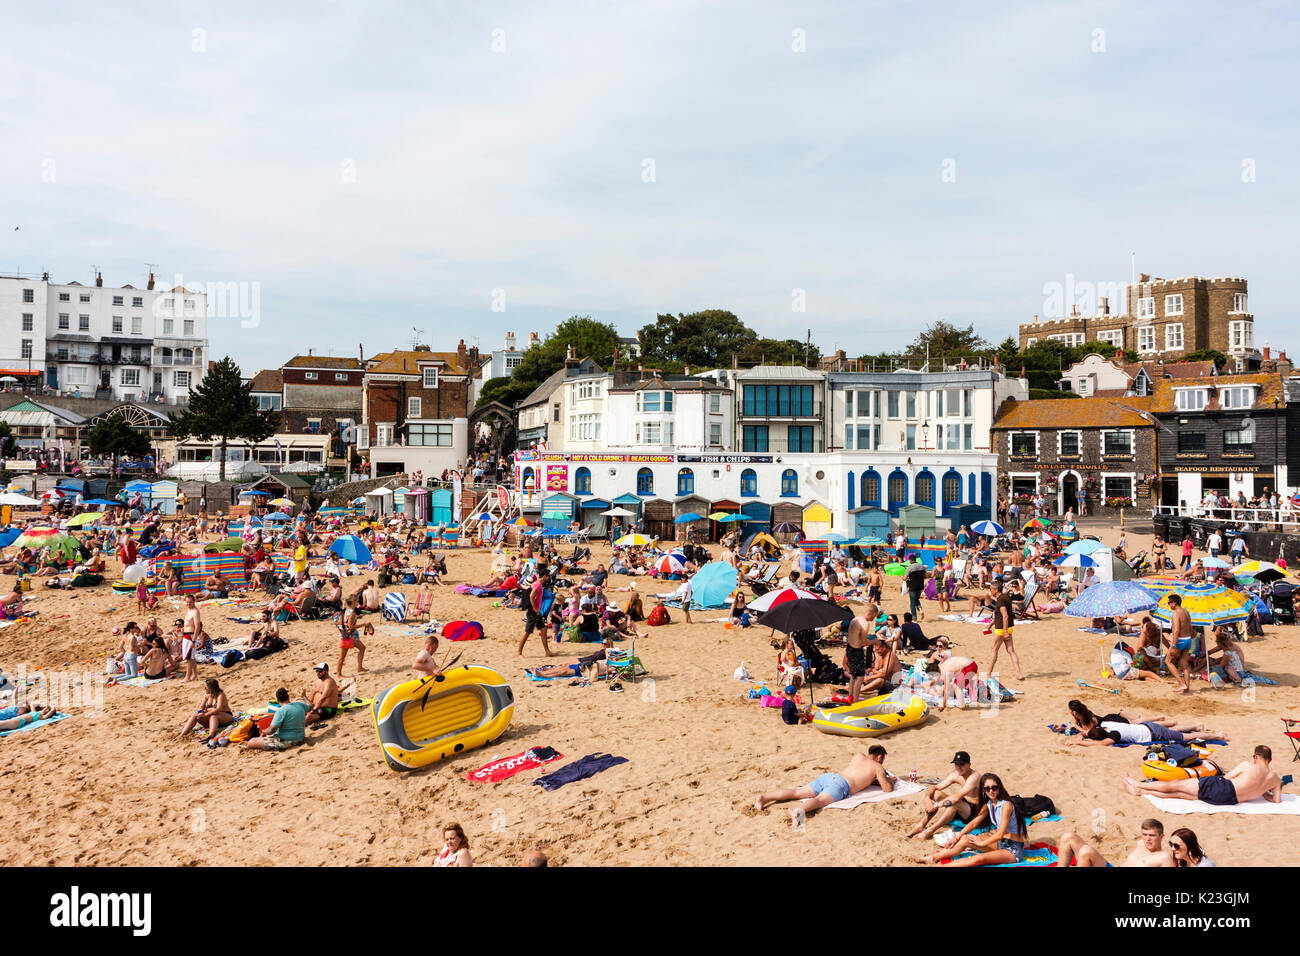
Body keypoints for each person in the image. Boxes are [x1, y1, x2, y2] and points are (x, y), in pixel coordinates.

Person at [755, 746, 894, 826]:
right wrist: (890, 780)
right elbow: (886, 789)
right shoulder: (877, 767)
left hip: (830, 777)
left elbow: (862, 775)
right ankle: (797, 812)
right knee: (819, 801)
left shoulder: (859, 756)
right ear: (880, 757)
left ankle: (764, 797)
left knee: (797, 792)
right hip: (841, 785)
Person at [918, 773, 1027, 866]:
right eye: (987, 788)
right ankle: (933, 858)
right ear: (983, 790)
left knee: (979, 859)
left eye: (994, 787)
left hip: (1013, 849)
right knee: (965, 839)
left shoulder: (1006, 805)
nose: (991, 791)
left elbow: (1000, 833)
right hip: (1001, 843)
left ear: (999, 788)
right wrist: (957, 838)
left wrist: (981, 844)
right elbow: (973, 823)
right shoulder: (988, 804)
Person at [1125, 745, 1283, 806]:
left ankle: (1139, 785)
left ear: (1256, 756)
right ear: (1270, 759)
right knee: (1180, 794)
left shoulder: (1247, 765)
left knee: (1176, 785)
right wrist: (1263, 793)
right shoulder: (1276, 779)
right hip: (1229, 800)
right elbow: (1276, 800)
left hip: (1223, 788)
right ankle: (1142, 791)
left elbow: (1227, 778)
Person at [908, 751, 980, 839]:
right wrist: (928, 799)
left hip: (974, 811)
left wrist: (935, 805)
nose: (958, 767)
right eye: (956, 764)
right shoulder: (956, 774)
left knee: (954, 803)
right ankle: (921, 825)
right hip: (964, 805)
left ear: (969, 764)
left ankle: (929, 831)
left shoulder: (974, 777)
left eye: (961, 764)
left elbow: (957, 798)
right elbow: (935, 787)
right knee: (936, 794)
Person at [1056, 818, 1175, 867]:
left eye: (1152, 836)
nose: (1147, 839)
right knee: (1068, 837)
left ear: (1162, 836)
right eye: (1144, 835)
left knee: (1085, 851)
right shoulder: (1141, 844)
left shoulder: (1164, 857)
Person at [241, 688, 308, 751]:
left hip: (287, 741)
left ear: (278, 700)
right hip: (300, 738)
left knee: (252, 741)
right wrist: (304, 696)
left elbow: (271, 730)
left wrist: (263, 731)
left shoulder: (281, 711)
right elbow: (311, 706)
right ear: (288, 697)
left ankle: (248, 747)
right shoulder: (300, 705)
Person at [987, 581, 1024, 681]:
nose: (990, 590)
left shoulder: (1000, 600)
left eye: (991, 589)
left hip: (1001, 629)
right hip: (1008, 628)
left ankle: (988, 674)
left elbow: (1005, 616)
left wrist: (1005, 631)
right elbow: (1001, 614)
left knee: (994, 650)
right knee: (1011, 651)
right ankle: (1018, 674)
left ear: (995, 590)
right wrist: (991, 624)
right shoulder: (1006, 597)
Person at [844, 605, 878, 703]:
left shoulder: (855, 619)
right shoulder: (865, 624)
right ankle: (855, 700)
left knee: (853, 675)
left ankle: (850, 697)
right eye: (874, 616)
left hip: (849, 648)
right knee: (860, 677)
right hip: (856, 650)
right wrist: (873, 642)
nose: (873, 619)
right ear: (871, 613)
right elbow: (864, 642)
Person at [518, 571, 553, 657]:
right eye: (548, 576)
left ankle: (547, 652)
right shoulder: (538, 585)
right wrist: (535, 608)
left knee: (544, 629)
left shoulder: (536, 583)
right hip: (533, 612)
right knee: (527, 632)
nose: (548, 578)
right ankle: (519, 653)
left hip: (536, 612)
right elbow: (531, 596)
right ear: (544, 576)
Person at [1165, 593, 1194, 694]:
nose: (1169, 605)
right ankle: (1187, 687)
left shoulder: (1176, 613)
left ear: (1174, 603)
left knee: (1168, 661)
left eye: (1169, 603)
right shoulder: (1186, 612)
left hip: (1180, 640)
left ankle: (1181, 684)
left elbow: (1176, 630)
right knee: (1184, 664)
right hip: (1188, 639)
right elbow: (1191, 628)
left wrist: (1173, 645)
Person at [335, 594, 367, 676]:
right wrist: (364, 624)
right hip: (347, 637)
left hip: (349, 635)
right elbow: (351, 626)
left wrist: (358, 617)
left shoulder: (348, 610)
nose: (358, 602)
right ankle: (339, 674)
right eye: (357, 601)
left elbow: (348, 620)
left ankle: (360, 668)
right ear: (353, 602)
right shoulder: (352, 613)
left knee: (362, 648)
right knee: (342, 656)